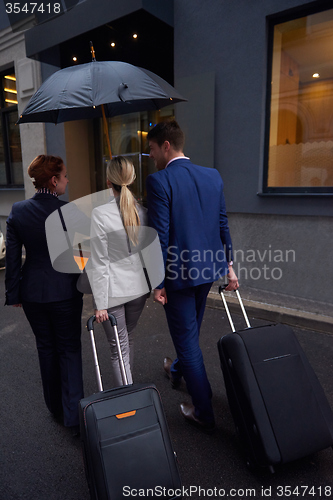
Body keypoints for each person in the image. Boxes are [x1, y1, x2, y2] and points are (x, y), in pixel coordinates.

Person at [146, 120, 239, 432]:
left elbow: (160, 236)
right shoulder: (212, 175)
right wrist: (228, 266)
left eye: (152, 149)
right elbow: (222, 223)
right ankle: (176, 370)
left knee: (187, 341)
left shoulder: (159, 181)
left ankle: (203, 410)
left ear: (166, 146)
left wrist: (158, 282)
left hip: (179, 276)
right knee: (190, 335)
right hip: (208, 270)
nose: (151, 155)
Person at [5, 155, 84, 435]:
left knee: (46, 348)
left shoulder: (18, 211)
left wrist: (13, 293)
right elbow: (82, 257)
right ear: (54, 180)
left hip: (33, 294)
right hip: (65, 293)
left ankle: (55, 407)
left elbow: (13, 258)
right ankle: (74, 417)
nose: (67, 180)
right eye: (64, 176)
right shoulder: (71, 212)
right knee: (69, 349)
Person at [90, 156, 150, 386]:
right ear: (132, 179)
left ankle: (128, 401)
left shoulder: (100, 214)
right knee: (127, 340)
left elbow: (100, 262)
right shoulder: (142, 212)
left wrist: (100, 303)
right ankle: (130, 391)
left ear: (108, 181)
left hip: (114, 292)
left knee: (118, 348)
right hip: (138, 291)